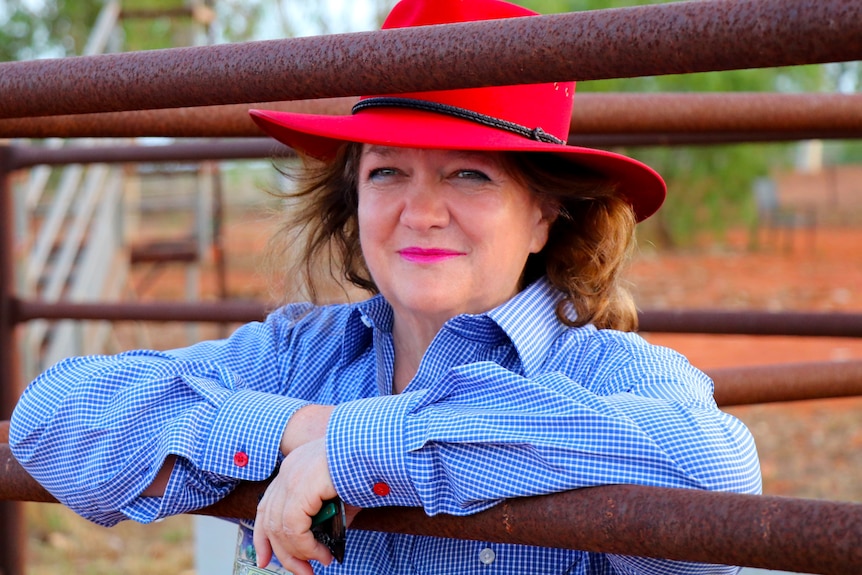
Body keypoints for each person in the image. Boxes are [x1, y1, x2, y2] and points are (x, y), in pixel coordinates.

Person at [10, 0, 761, 573]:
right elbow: (52, 416)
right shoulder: (304, 356)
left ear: (544, 215)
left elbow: (721, 479)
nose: (420, 212)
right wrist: (300, 429)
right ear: (355, 199)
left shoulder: (608, 374)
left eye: (469, 173)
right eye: (386, 171)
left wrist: (366, 446)